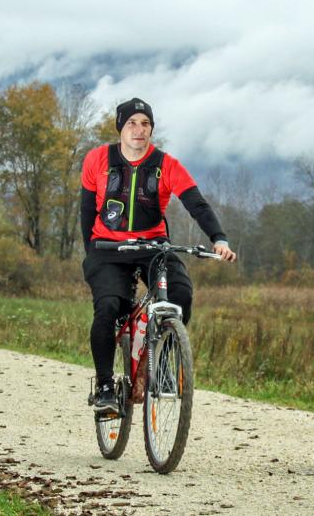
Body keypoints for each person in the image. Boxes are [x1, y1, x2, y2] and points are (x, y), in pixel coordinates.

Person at [80, 98, 236, 413]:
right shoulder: (97, 160)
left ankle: (162, 366)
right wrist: (92, 253)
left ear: (152, 129)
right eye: (132, 124)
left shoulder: (166, 165)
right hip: (108, 249)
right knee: (109, 306)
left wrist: (218, 238)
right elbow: (86, 211)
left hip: (153, 246)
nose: (139, 130)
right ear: (120, 128)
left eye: (146, 124)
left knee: (181, 294)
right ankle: (106, 385)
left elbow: (196, 203)